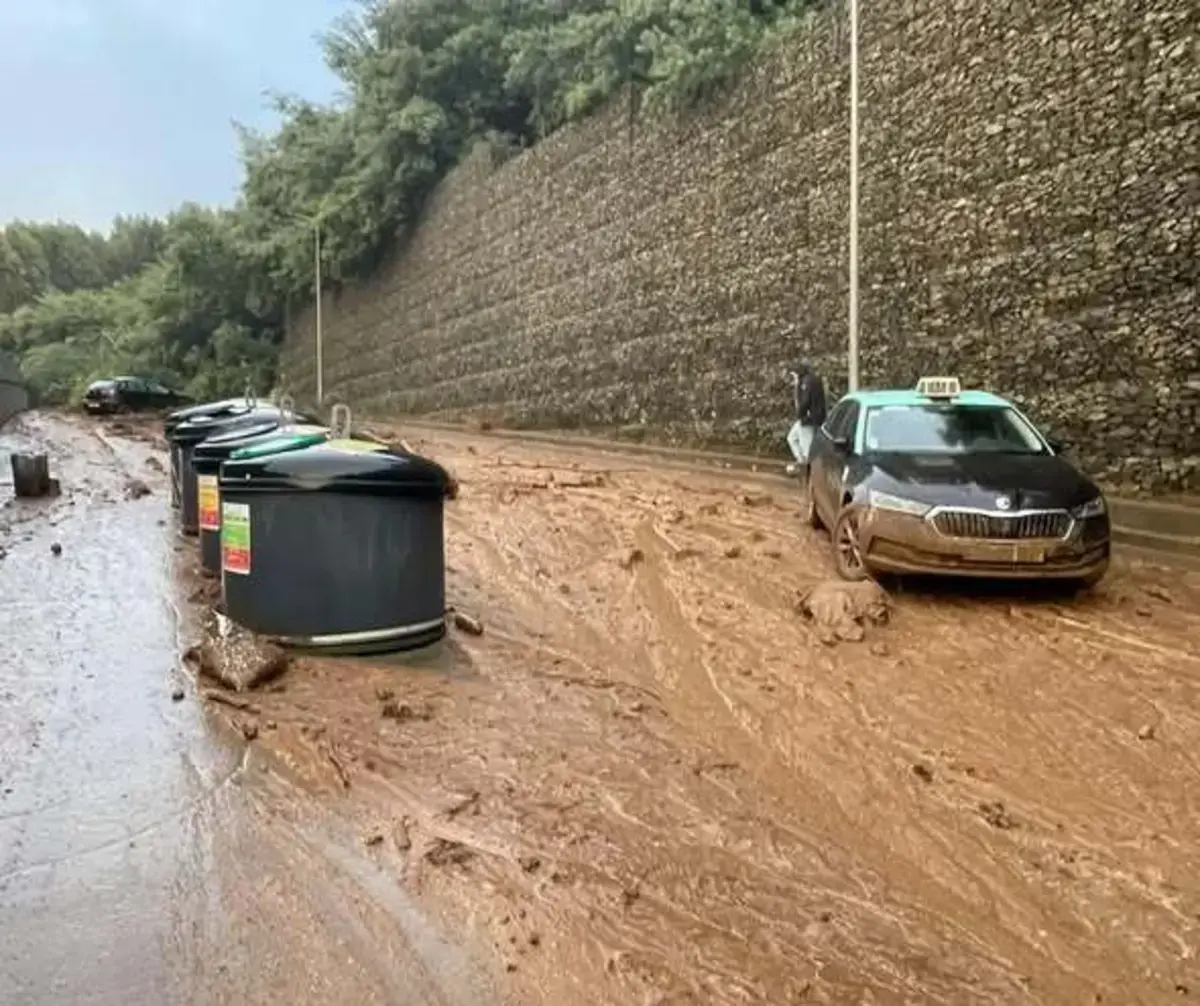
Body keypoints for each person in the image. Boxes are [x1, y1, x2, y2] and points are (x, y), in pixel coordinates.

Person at [785, 362, 826, 476]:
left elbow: (804, 401)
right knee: (792, 437)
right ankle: (802, 462)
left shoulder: (805, 383)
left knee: (807, 447)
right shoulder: (813, 380)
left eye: (794, 375)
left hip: (808, 419)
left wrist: (800, 414)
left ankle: (810, 470)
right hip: (813, 417)